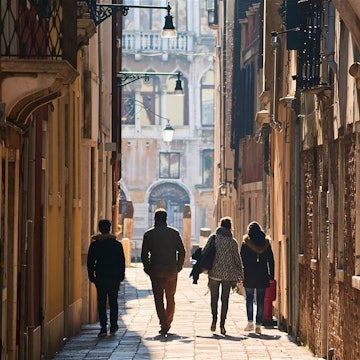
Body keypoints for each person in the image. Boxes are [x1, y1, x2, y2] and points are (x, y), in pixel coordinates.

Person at [141, 208, 186, 336]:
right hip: (171, 269)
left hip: (156, 269)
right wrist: (178, 266)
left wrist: (147, 267)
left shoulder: (148, 234)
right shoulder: (174, 233)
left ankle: (163, 323)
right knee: (170, 297)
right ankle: (168, 321)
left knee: (158, 298)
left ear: (154, 219)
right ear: (166, 219)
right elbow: (181, 251)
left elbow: (144, 254)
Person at [202, 216, 244, 335]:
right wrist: (241, 274)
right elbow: (237, 259)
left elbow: (205, 251)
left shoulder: (214, 238)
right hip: (228, 275)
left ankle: (214, 319)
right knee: (225, 300)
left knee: (214, 298)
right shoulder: (232, 242)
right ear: (230, 227)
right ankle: (222, 325)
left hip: (214, 273)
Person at [87, 219, 126, 337]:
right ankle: (113, 325)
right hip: (114, 277)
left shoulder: (95, 245)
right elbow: (121, 261)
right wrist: (121, 275)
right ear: (109, 228)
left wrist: (91, 275)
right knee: (113, 301)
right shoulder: (117, 245)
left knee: (101, 302)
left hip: (101, 277)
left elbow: (90, 262)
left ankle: (103, 327)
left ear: (100, 229)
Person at [240, 221, 274, 335]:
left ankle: (250, 323)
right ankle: (258, 325)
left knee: (249, 299)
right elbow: (271, 260)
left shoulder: (245, 243)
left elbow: (241, 261)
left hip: (249, 275)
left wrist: (241, 274)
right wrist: (271, 276)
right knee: (260, 300)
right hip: (262, 275)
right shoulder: (266, 243)